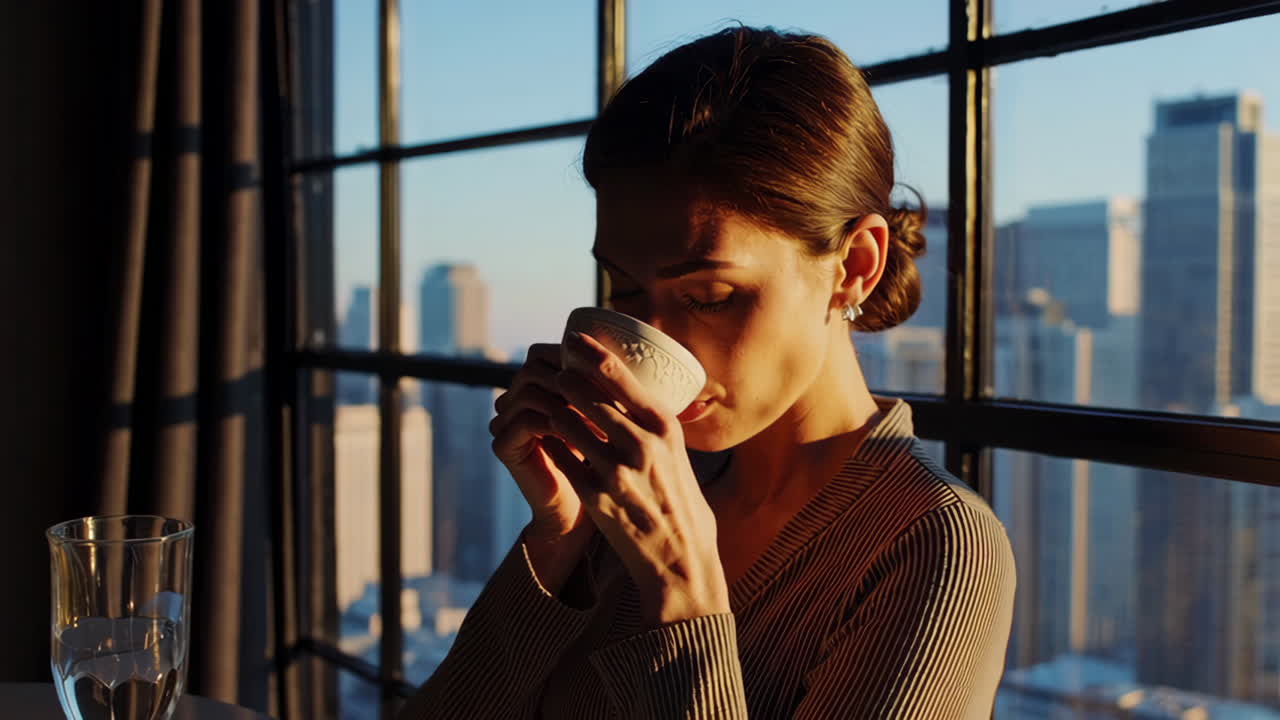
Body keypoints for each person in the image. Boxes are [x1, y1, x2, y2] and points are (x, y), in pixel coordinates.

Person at [399, 25, 1015, 720]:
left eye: (710, 297)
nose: (658, 340)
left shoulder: (932, 545)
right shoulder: (637, 491)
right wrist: (557, 540)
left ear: (854, 267)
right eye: (626, 290)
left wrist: (681, 594)